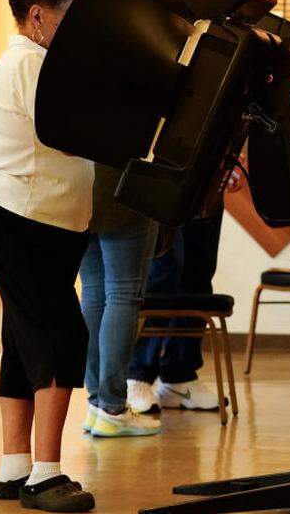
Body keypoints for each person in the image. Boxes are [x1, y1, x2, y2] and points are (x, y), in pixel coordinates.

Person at [0, 0, 96, 513]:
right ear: (37, 15)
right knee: (62, 335)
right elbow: (72, 135)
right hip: (23, 215)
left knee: (25, 340)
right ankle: (46, 475)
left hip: (40, 219)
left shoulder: (36, 62)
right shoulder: (27, 63)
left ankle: (13, 467)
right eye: (67, 16)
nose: (73, 27)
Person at [79, 164, 161, 437]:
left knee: (92, 292)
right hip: (126, 181)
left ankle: (97, 405)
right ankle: (113, 408)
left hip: (78, 184)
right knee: (123, 293)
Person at [125, 208, 225, 414]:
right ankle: (137, 376)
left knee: (198, 273)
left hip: (208, 183)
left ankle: (179, 375)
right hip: (165, 180)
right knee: (163, 269)